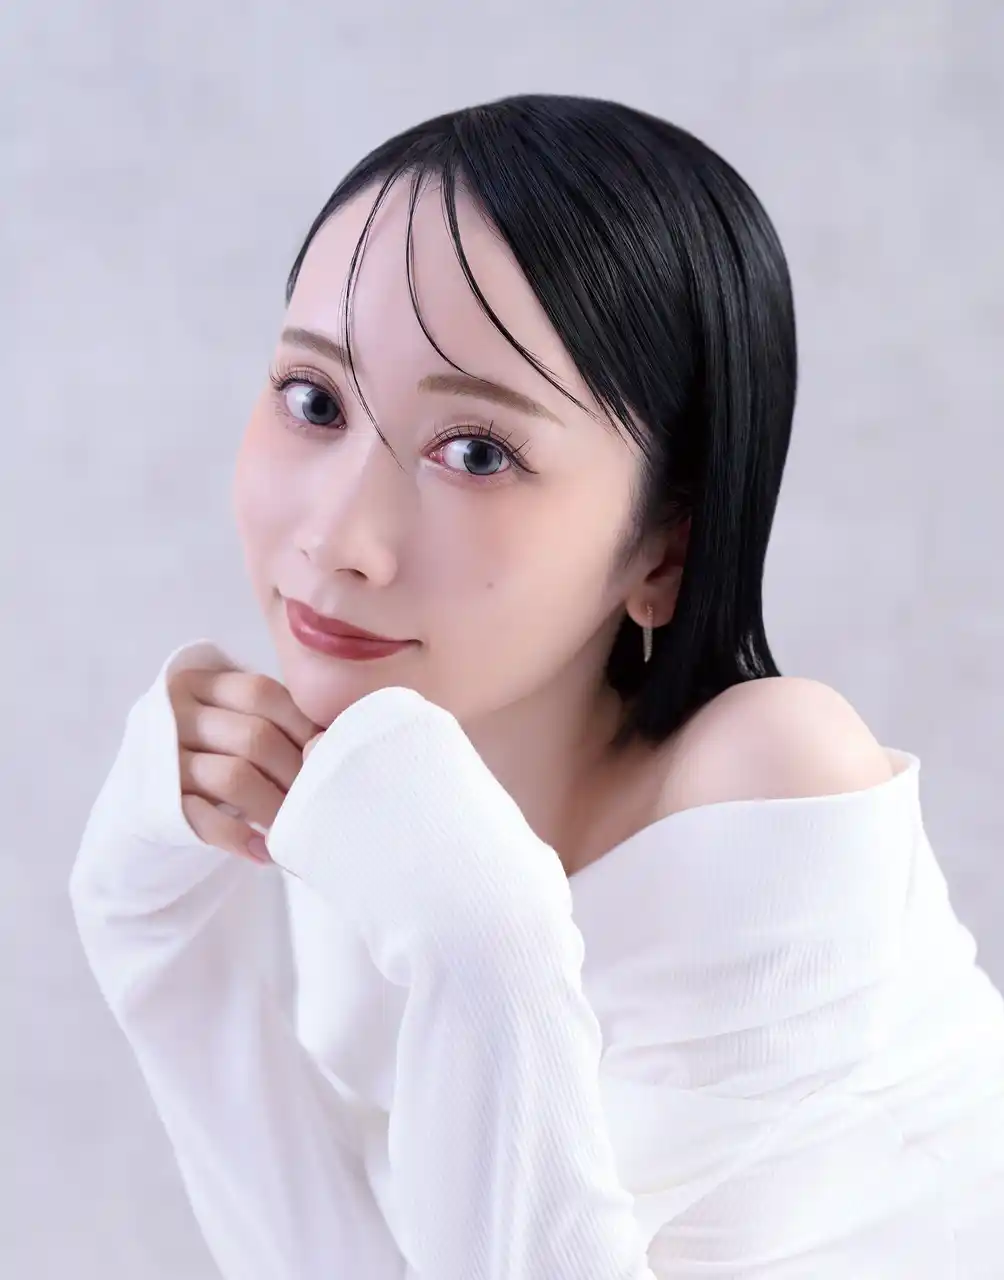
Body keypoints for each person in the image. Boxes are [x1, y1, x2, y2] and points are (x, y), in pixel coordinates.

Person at [69, 95, 1004, 1278]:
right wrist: (146, 926)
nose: (339, 537)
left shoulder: (773, 779)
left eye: (476, 451)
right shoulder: (387, 793)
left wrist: (481, 939)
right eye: (314, 399)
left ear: (662, 546)